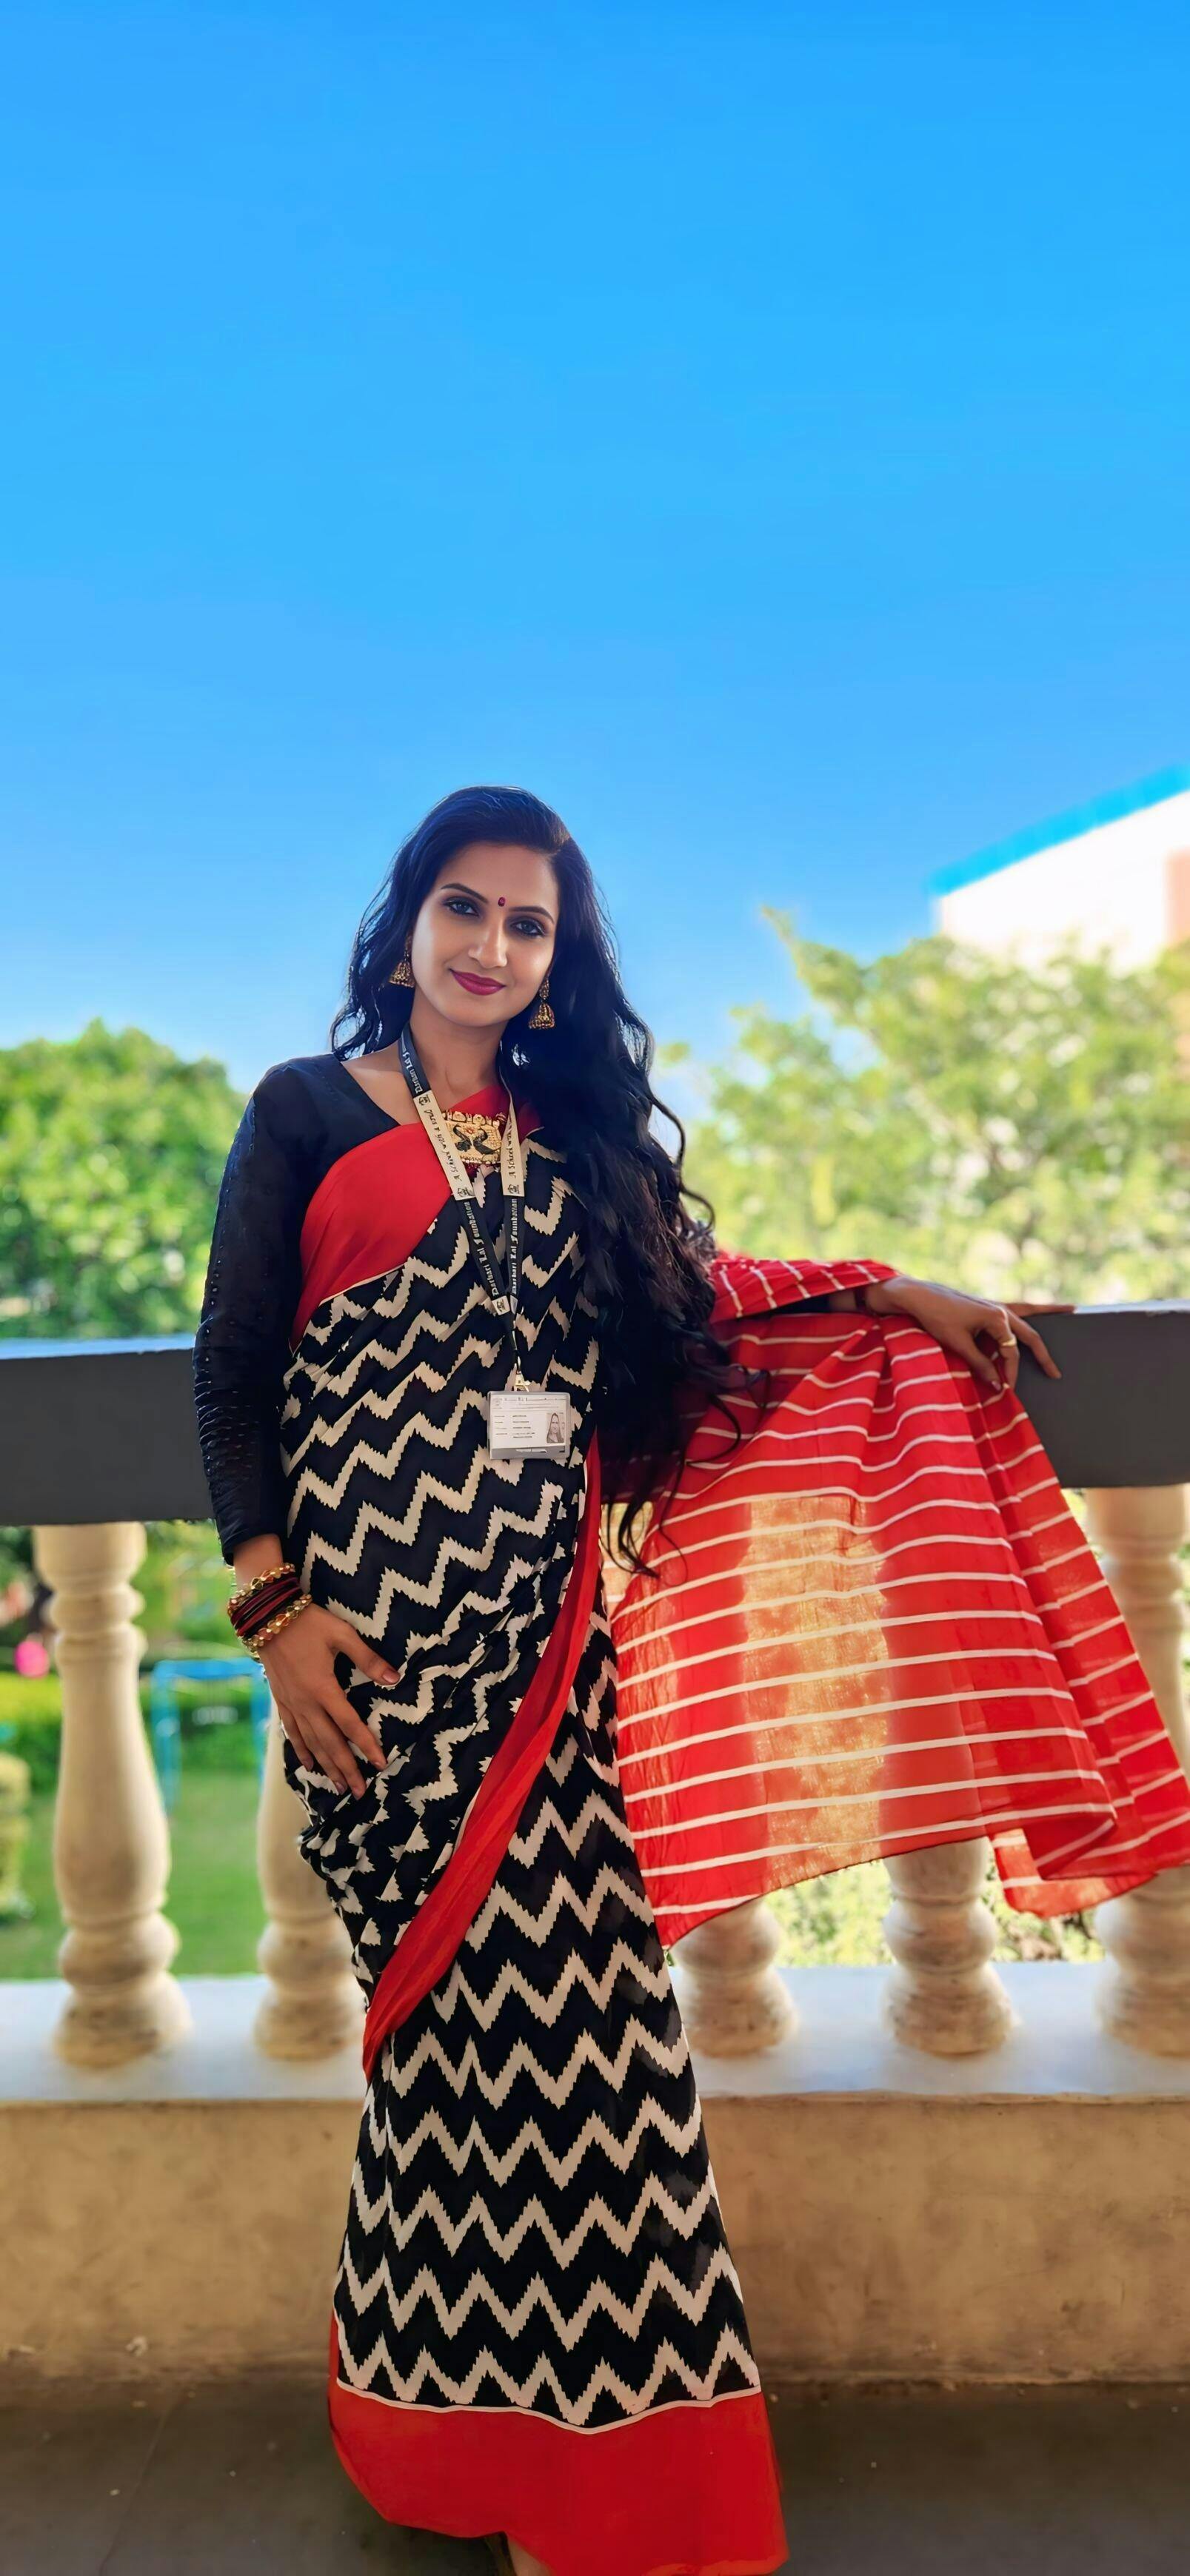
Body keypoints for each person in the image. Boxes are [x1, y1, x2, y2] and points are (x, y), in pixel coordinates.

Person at [193, 785, 1190, 2576]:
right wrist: (274, 1610)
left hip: (550, 1658)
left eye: (529, 924)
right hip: (380, 1669)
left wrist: (886, 1290)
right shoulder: (304, 1113)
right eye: (466, 907)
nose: (492, 946)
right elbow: (232, 1373)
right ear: (408, 921)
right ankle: (455, 2442)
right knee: (448, 2067)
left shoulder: (574, 1148)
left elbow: (691, 1298)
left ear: (557, 963)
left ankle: (610, 2480)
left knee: (600, 2057)